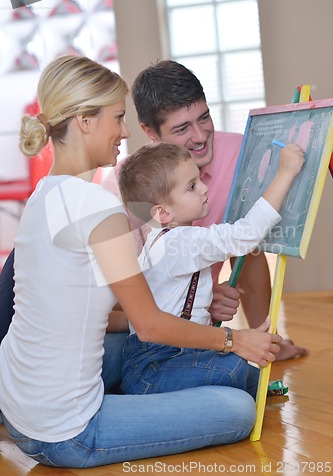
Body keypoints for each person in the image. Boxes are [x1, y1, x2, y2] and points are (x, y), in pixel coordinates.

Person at [0, 55, 282, 469]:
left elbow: (98, 313)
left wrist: (201, 300)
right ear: (84, 121)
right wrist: (233, 340)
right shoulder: (99, 206)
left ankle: (143, 399)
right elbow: (148, 324)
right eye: (117, 118)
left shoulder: (44, 193)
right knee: (238, 409)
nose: (125, 131)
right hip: (69, 433)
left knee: (124, 344)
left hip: (17, 406)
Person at [130, 59, 308, 361]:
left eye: (204, 118)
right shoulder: (131, 188)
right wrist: (201, 303)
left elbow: (248, 238)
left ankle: (267, 338)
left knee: (250, 250)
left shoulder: (243, 152)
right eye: (182, 128)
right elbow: (130, 297)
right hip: (155, 322)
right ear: (150, 132)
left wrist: (206, 296)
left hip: (202, 299)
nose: (200, 136)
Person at [118, 142, 304, 398]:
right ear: (162, 212)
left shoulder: (164, 240)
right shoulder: (178, 241)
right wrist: (285, 173)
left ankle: (245, 388)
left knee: (247, 373)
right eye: (192, 186)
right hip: (156, 366)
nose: (205, 189)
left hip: (169, 357)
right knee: (234, 369)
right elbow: (245, 235)